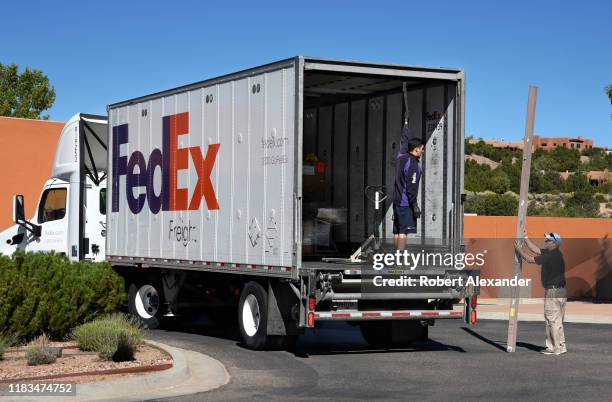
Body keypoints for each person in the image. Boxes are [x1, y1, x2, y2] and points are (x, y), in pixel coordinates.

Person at [515, 232, 567, 355]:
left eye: (548, 240)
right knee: (558, 321)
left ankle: (554, 348)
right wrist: (526, 238)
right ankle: (561, 346)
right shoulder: (555, 253)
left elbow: (529, 259)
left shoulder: (551, 256)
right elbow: (537, 250)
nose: (545, 242)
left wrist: (518, 250)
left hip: (553, 292)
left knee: (551, 320)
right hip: (561, 291)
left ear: (554, 243)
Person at [392, 127, 424, 251]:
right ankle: (399, 261)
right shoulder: (414, 165)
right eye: (421, 148)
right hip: (405, 203)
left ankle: (394, 258)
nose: (423, 151)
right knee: (403, 232)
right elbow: (412, 186)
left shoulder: (400, 157)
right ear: (416, 149)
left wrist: (406, 129)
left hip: (396, 201)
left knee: (397, 230)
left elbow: (403, 143)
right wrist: (414, 204)